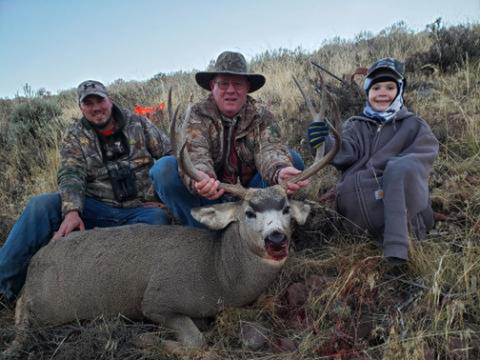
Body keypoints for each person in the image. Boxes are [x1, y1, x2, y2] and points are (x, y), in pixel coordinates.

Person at [0, 80, 171, 304]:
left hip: (140, 211)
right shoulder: (75, 134)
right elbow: (71, 173)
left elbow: (170, 156)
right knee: (40, 206)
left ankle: (133, 295)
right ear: (81, 108)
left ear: (109, 100)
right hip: (96, 208)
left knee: (159, 221)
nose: (96, 107)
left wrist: (164, 197)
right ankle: (4, 288)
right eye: (88, 103)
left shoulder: (139, 124)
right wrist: (72, 210)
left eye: (99, 100)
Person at [150, 51, 308, 227]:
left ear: (247, 87)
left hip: (252, 198)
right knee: (163, 170)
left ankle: (263, 228)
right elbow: (195, 152)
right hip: (211, 197)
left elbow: (270, 149)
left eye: (238, 84)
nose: (231, 90)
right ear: (212, 86)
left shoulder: (261, 116)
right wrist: (202, 178)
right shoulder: (196, 115)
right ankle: (201, 232)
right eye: (223, 84)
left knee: (293, 160)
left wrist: (279, 170)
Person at [308, 58, 439, 263]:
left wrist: (398, 168)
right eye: (376, 87)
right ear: (368, 93)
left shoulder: (414, 126)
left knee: (399, 170)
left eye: (390, 87)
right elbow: (346, 152)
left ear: (400, 91)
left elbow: (424, 154)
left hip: (400, 213)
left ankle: (397, 250)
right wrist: (324, 142)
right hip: (356, 224)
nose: (382, 93)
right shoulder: (355, 125)